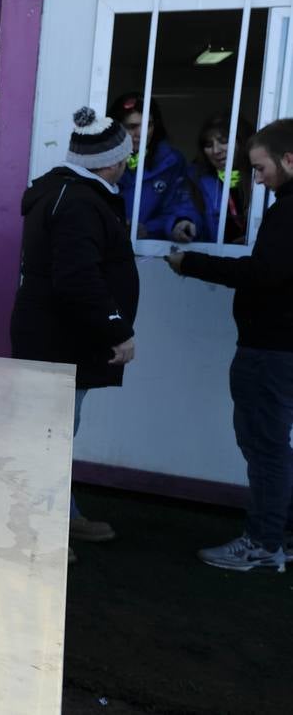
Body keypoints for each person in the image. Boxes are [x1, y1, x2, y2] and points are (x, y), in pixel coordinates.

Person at [10, 106, 138, 560]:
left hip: (58, 336)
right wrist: (117, 330)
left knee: (56, 432)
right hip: (59, 339)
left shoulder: (71, 194)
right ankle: (37, 531)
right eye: (127, 153)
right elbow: (78, 278)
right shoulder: (80, 201)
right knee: (50, 435)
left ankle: (63, 515)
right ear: (114, 159)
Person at [167, 119, 293, 572]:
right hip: (279, 347)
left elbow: (264, 275)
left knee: (265, 446)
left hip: (271, 349)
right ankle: (280, 534)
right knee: (274, 445)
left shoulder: (288, 212)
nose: (256, 179)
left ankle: (263, 543)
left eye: (260, 169)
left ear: (288, 160)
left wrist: (192, 264)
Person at [111, 91, 195, 240]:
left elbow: (179, 206)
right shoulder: (103, 159)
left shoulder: (171, 161)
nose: (142, 133)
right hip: (109, 243)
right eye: (132, 126)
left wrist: (176, 224)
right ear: (117, 127)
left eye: (148, 125)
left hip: (153, 249)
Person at [182, 115, 252, 245]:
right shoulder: (196, 178)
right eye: (208, 144)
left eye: (224, 141)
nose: (216, 150)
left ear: (241, 142)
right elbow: (187, 210)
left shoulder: (260, 177)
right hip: (216, 259)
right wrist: (182, 222)